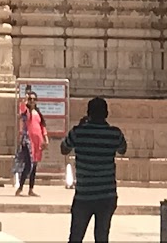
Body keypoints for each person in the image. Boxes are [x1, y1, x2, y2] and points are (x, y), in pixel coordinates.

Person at [59, 96, 127, 243]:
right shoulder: (115, 134)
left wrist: (81, 125)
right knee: (102, 237)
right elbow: (123, 149)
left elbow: (64, 149)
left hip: (84, 194)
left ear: (88, 113)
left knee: (76, 236)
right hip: (107, 194)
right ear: (106, 114)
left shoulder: (78, 132)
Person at [14, 86, 49, 195]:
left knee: (34, 166)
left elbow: (42, 127)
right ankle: (20, 187)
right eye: (30, 99)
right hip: (28, 141)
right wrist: (25, 99)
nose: (32, 101)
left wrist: (45, 140)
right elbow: (23, 108)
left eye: (34, 99)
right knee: (28, 165)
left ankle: (31, 189)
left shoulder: (38, 113)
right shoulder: (26, 113)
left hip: (38, 142)